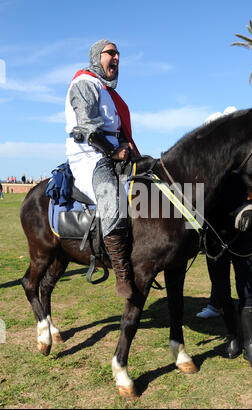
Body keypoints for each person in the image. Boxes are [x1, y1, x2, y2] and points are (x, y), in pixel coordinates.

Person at [65, 39, 139, 299]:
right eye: (111, 53)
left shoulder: (107, 90)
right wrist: (112, 150)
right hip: (89, 155)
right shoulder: (84, 82)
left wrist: (123, 146)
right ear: (97, 56)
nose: (117, 58)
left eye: (119, 53)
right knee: (111, 196)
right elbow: (86, 127)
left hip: (113, 152)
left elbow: (116, 130)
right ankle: (121, 273)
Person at [197, 175, 252, 371]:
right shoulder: (207, 163)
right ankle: (233, 337)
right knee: (221, 288)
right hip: (214, 234)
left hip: (242, 231)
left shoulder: (244, 159)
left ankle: (250, 347)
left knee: (247, 289)